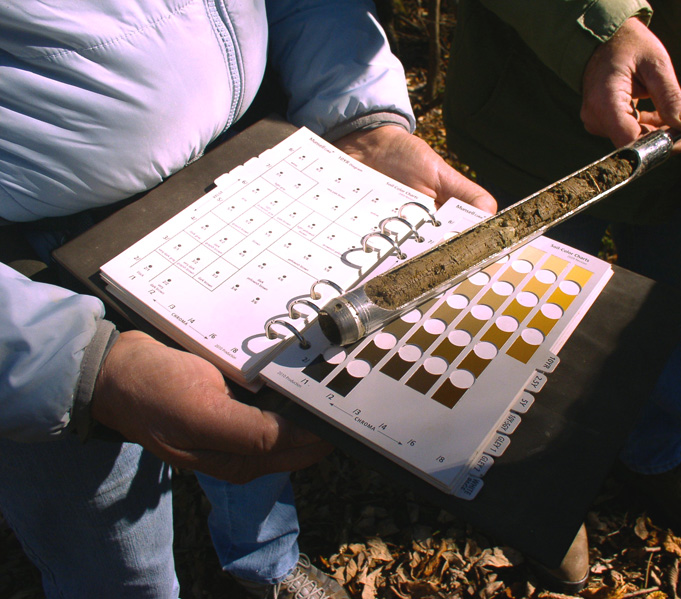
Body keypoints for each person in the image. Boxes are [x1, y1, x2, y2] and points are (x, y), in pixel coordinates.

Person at [0, 2, 495, 599]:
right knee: (102, 528)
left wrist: (359, 116)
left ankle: (266, 566)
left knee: (252, 403)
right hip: (32, 264)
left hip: (248, 178)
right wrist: (70, 365)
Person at [444, 0, 681, 593]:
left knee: (675, 314)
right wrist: (600, 32)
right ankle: (539, 487)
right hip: (539, 120)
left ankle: (651, 456)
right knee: (528, 315)